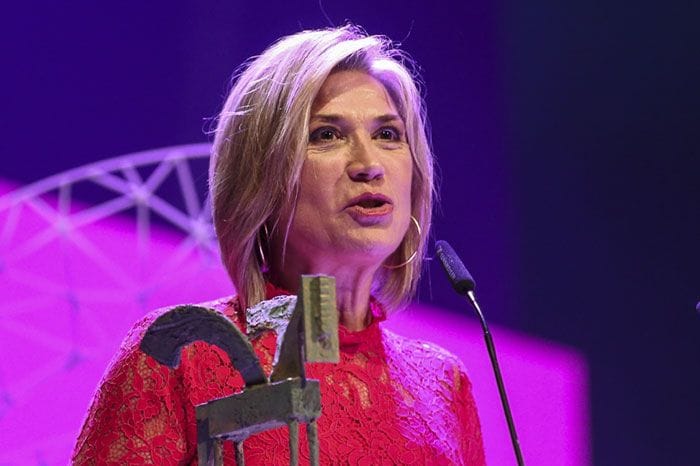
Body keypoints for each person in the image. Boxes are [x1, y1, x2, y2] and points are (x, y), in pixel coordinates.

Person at [72, 25, 485, 465]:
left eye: (388, 135)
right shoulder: (180, 354)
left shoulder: (443, 384)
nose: (369, 165)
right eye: (326, 135)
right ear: (262, 180)